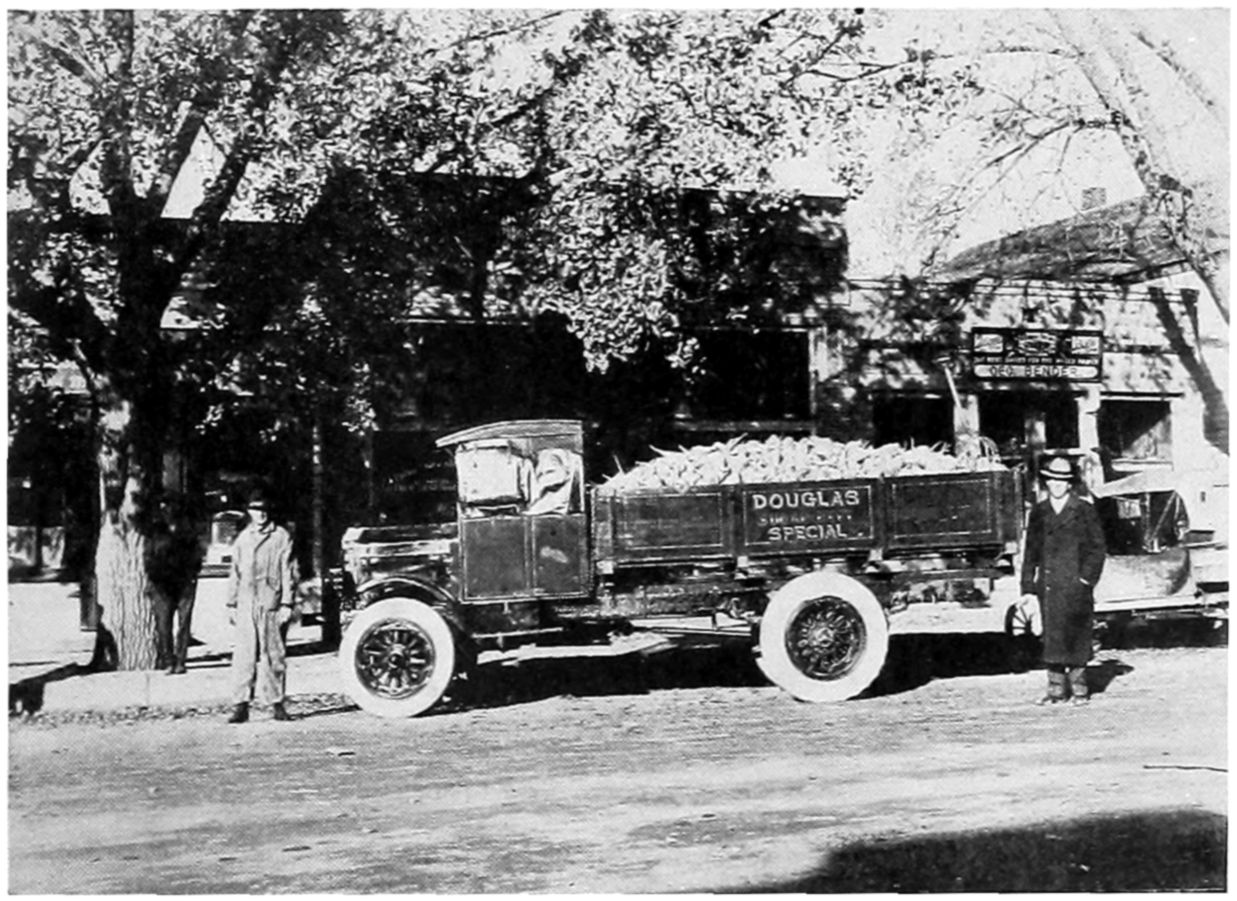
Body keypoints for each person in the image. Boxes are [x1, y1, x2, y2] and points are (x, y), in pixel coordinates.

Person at [1019, 456, 1107, 705]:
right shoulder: (1039, 512)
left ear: (1070, 484)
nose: (1057, 485)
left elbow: (1098, 548)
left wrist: (1085, 579)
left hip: (1076, 586)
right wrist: (1027, 586)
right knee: (1052, 637)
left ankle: (1080, 690)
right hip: (1049, 586)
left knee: (1077, 636)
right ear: (1046, 482)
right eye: (1052, 480)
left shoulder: (1084, 509)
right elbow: (1030, 551)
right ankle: (1056, 690)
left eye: (1062, 481)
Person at [225, 488, 297, 723]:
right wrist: (231, 603)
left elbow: (288, 571)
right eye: (256, 509)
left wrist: (286, 603)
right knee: (244, 656)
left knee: (274, 655)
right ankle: (241, 705)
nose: (261, 514)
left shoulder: (281, 537)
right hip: (246, 602)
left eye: (264, 509)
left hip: (271, 603)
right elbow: (235, 572)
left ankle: (277, 703)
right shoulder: (243, 539)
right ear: (249, 512)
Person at [146, 494, 204, 675]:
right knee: (164, 625)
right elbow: (148, 556)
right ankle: (168, 659)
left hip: (184, 582)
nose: (167, 510)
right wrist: (153, 578)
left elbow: (197, 554)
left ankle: (180, 660)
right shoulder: (155, 531)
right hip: (162, 584)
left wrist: (193, 573)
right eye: (163, 507)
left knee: (184, 624)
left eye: (169, 506)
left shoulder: (188, 530)